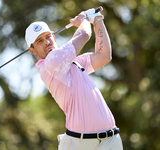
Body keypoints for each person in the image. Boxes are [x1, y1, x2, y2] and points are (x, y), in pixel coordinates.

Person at [25, 8, 123, 150]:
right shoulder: (50, 63)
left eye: (48, 36)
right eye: (39, 41)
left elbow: (104, 55)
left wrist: (97, 19)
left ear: (54, 37)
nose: (46, 42)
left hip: (111, 140)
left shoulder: (75, 63)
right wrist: (84, 19)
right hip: (82, 144)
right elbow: (84, 34)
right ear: (32, 50)